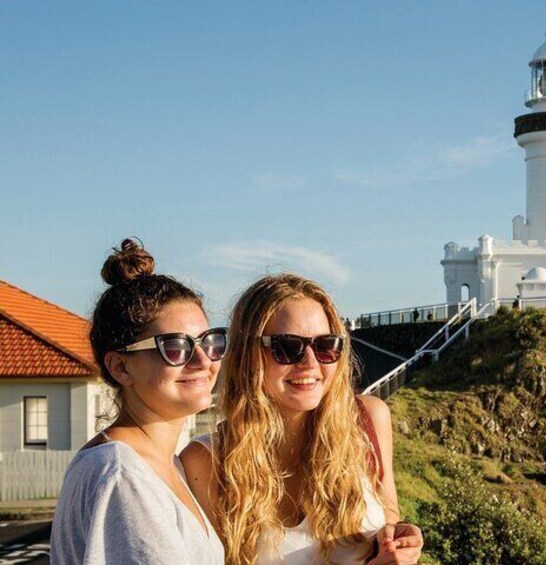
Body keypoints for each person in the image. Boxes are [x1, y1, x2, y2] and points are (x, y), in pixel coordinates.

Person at [180, 273, 423, 565]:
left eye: (325, 346)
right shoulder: (205, 463)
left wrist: (400, 543)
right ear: (248, 355)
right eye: (287, 347)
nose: (310, 362)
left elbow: (389, 520)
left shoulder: (369, 420)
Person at [50, 239, 225, 564]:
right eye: (175, 347)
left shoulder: (162, 466)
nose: (204, 360)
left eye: (209, 341)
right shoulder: (122, 475)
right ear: (121, 366)